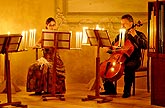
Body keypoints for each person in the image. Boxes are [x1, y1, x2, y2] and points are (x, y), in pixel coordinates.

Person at [100, 14, 147, 98]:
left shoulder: (139, 34)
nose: (122, 26)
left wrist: (135, 36)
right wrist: (109, 49)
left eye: (124, 24)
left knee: (129, 67)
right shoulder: (120, 35)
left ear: (131, 23)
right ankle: (110, 89)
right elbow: (114, 48)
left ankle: (126, 91)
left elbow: (145, 45)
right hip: (119, 59)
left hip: (134, 60)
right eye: (121, 24)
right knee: (104, 66)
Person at [26, 17, 66, 95]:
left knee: (48, 68)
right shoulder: (44, 34)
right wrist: (39, 45)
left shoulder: (57, 35)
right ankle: (38, 89)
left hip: (55, 59)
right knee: (32, 67)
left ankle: (52, 90)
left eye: (54, 25)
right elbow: (36, 45)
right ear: (46, 26)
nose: (52, 27)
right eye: (50, 25)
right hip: (45, 59)